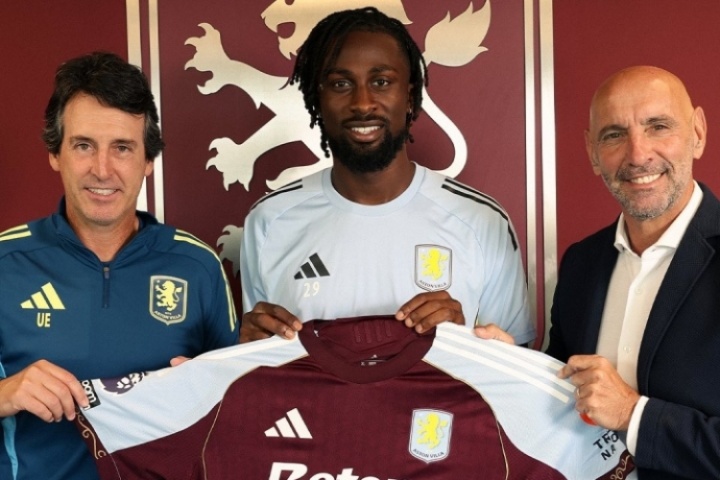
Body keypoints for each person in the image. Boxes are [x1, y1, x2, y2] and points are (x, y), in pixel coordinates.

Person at [0, 52, 238, 480]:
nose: (102, 170)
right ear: (55, 153)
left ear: (148, 161)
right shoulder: (5, 263)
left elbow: (244, 418)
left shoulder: (198, 266)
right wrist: (6, 393)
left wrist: (209, 394)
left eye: (122, 148)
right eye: (83, 146)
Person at [240, 7, 535, 346]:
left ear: (409, 96)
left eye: (381, 82)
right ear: (317, 100)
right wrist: (249, 348)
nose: (363, 103)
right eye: (340, 84)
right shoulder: (269, 220)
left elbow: (515, 361)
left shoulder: (482, 221)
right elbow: (261, 358)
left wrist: (461, 339)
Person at [546, 65, 720, 479]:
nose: (638, 155)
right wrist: (506, 362)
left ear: (698, 133)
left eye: (658, 126)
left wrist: (632, 414)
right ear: (593, 153)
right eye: (614, 135)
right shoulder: (581, 263)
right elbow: (562, 385)